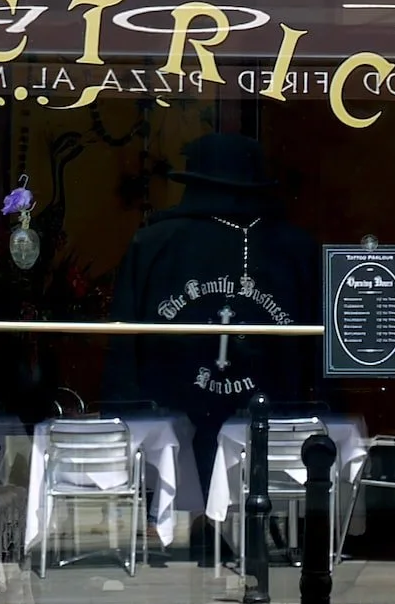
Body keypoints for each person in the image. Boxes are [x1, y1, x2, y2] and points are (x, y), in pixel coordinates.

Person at [105, 132, 322, 471]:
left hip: (175, 422)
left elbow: (123, 345)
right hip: (256, 422)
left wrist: (125, 410)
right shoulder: (296, 248)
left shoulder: (153, 244)